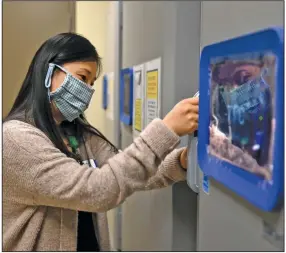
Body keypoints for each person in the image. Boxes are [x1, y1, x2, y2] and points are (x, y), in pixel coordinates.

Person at [3, 33, 199, 252]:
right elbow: (99, 189)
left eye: (91, 83)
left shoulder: (74, 133)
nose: (86, 90)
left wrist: (182, 161)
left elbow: (129, 171)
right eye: (82, 77)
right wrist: (167, 129)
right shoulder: (16, 140)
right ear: (48, 72)